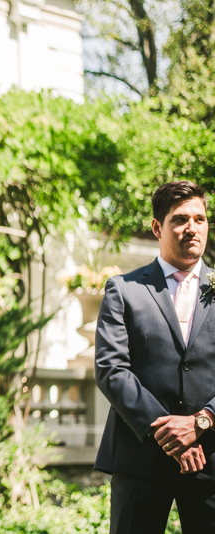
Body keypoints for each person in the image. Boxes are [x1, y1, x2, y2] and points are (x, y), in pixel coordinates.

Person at [95, 180, 215, 533]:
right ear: (157, 227)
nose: (192, 228)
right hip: (140, 459)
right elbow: (111, 369)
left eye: (200, 219)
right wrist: (168, 434)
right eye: (180, 219)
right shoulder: (124, 289)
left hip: (211, 456)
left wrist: (201, 421)